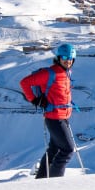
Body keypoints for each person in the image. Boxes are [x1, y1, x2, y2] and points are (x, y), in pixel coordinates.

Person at [20, 43, 77, 178]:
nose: (67, 61)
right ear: (58, 58)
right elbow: (25, 82)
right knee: (67, 150)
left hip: (62, 116)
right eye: (64, 57)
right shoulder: (49, 73)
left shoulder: (66, 73)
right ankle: (54, 183)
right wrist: (34, 100)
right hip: (54, 117)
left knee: (54, 149)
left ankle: (41, 180)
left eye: (70, 58)